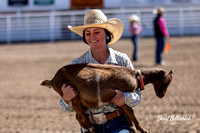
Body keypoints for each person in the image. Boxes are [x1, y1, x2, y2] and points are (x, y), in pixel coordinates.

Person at [59, 9, 142, 133]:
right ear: (84, 37)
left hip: (119, 123)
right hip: (89, 126)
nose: (92, 37)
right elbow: (67, 107)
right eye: (88, 33)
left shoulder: (122, 61)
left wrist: (125, 97)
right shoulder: (76, 65)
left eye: (97, 32)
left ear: (106, 33)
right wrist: (66, 98)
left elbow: (138, 96)